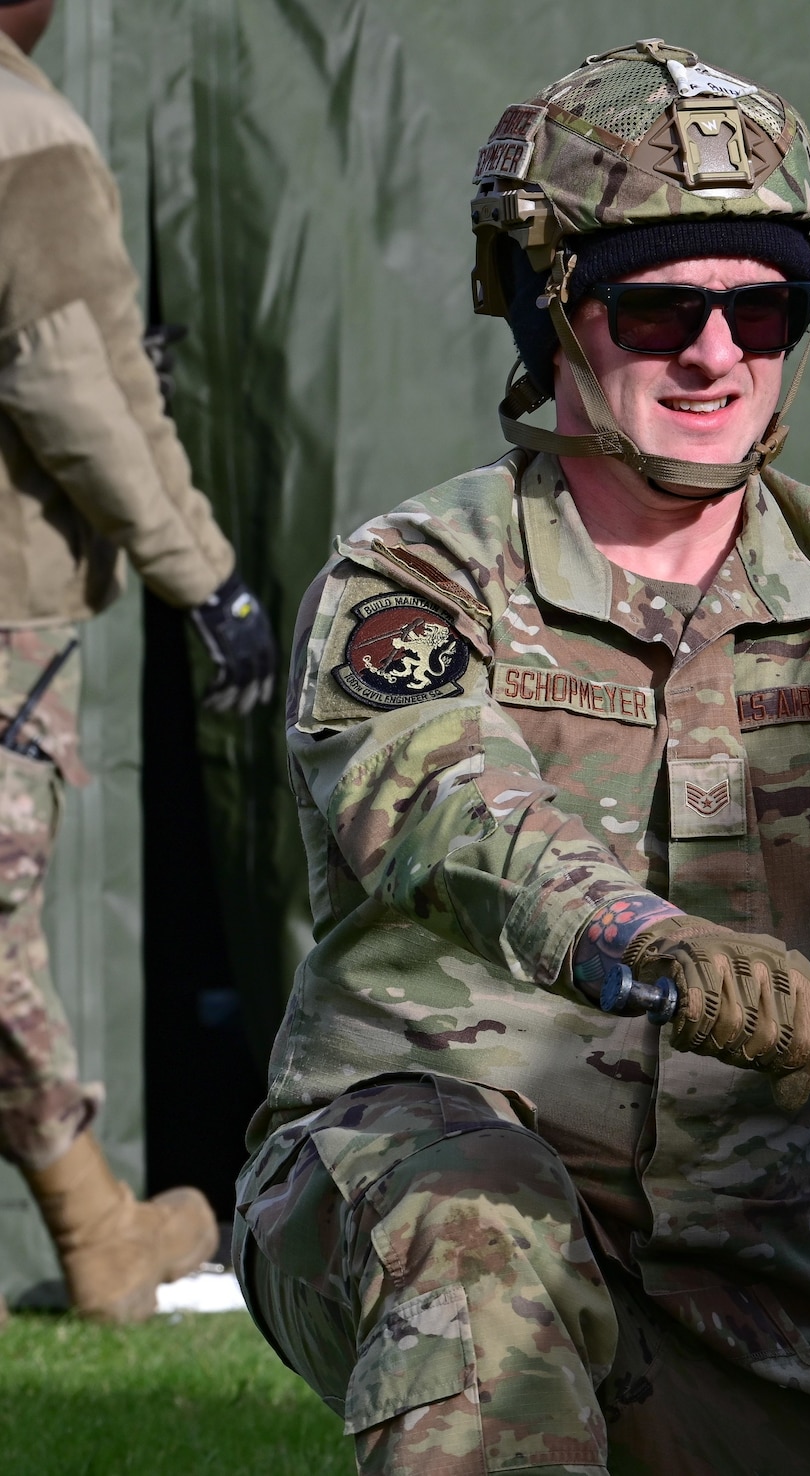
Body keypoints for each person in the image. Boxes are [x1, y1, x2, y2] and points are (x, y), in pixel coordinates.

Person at [235, 39, 810, 1475]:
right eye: (657, 309)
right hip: (415, 1172)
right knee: (480, 1252)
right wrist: (640, 934)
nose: (716, 355)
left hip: (743, 1273)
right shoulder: (421, 577)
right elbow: (448, 798)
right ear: (548, 314)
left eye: (764, 309)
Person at [0, 0, 276, 1327]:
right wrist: (202, 574)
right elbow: (77, 384)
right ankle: (98, 1224)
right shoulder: (25, 131)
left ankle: (99, 1221)